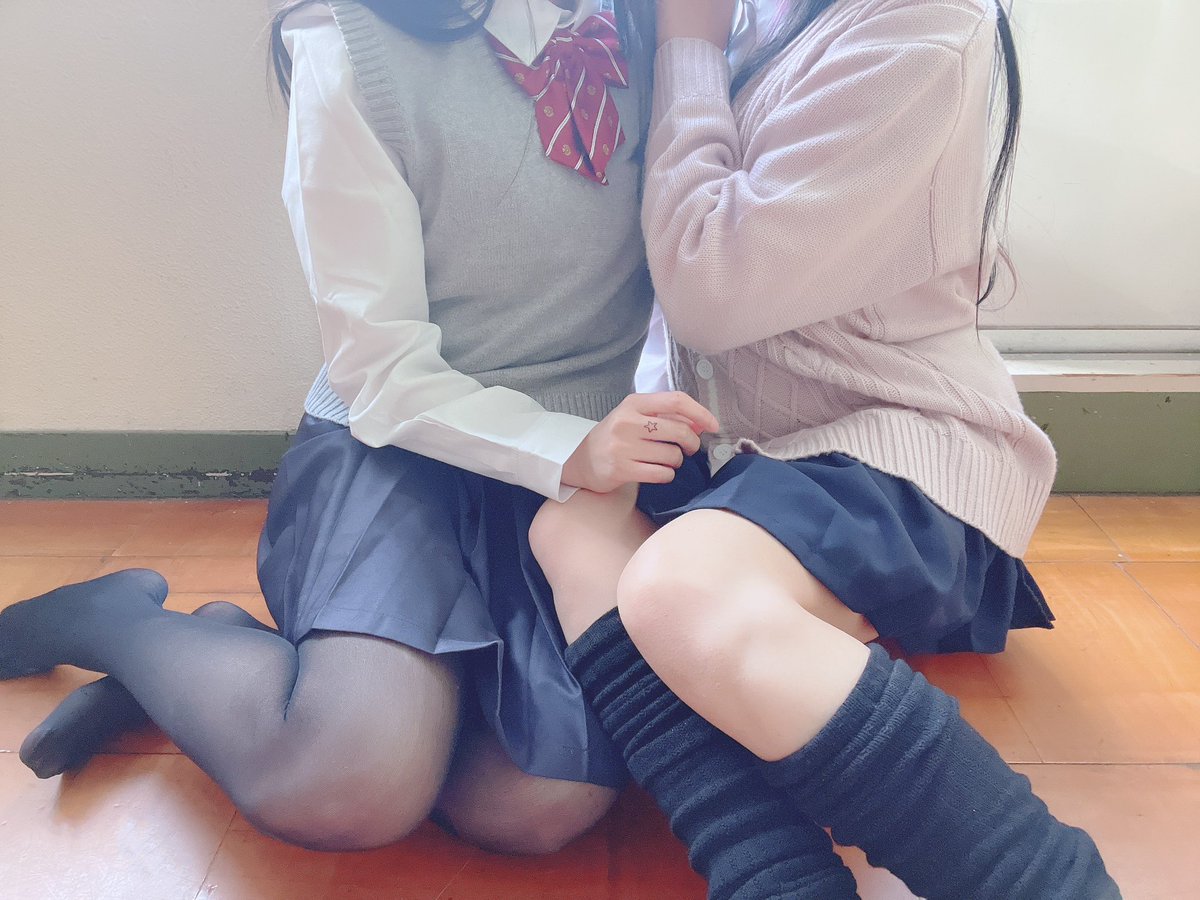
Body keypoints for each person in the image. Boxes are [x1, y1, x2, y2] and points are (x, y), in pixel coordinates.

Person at [1, 0, 726, 856]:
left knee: (538, 804)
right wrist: (568, 449)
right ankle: (119, 624)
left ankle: (249, 680)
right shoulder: (346, 42)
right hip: (400, 447)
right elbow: (379, 367)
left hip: (583, 474)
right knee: (348, 784)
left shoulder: (664, 23)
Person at [530, 0, 1122, 897]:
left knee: (678, 588)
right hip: (748, 449)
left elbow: (709, 286)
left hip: (902, 444)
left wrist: (688, 41)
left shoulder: (924, 28)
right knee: (572, 524)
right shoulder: (772, 14)